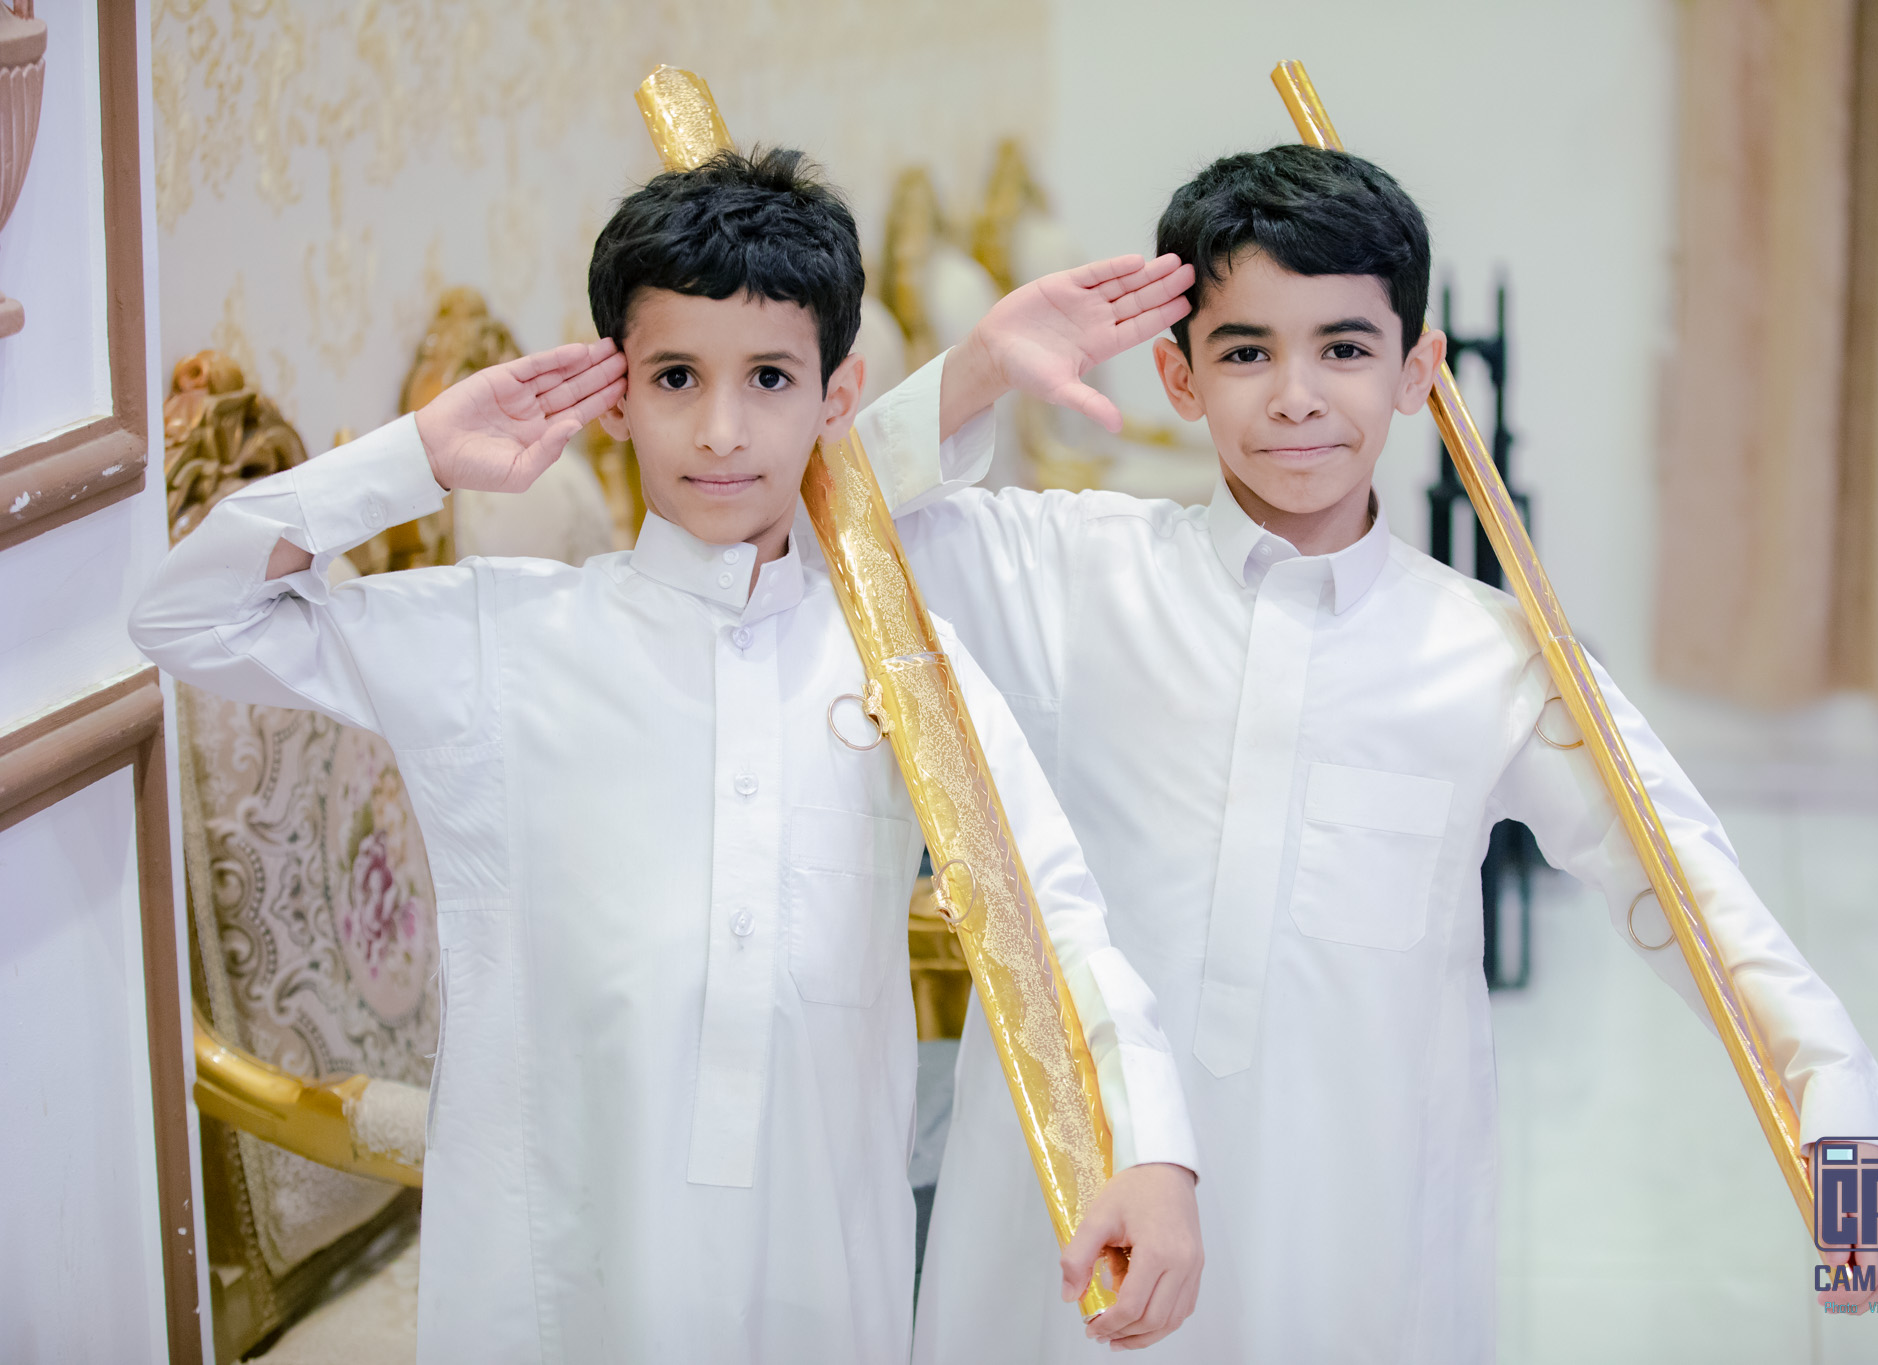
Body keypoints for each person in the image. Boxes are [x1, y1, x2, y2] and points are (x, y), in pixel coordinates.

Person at [129, 147, 1206, 1364]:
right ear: (616, 394)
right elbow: (185, 620)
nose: (720, 429)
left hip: (820, 1276)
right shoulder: (504, 640)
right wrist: (418, 456)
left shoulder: (903, 662)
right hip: (558, 1278)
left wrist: (1151, 1150)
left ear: (837, 398)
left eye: (769, 378)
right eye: (676, 377)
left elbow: (1054, 908)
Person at [875, 145, 1878, 1362]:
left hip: (1352, 1217)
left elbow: (1692, 890)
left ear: (1417, 371)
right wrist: (976, 371)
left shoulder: (1488, 654)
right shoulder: (1063, 569)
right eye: (1245, 353)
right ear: (1177, 375)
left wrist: (1864, 1150)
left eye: (1344, 348)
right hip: (1084, 1191)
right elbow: (806, 522)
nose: (1296, 397)